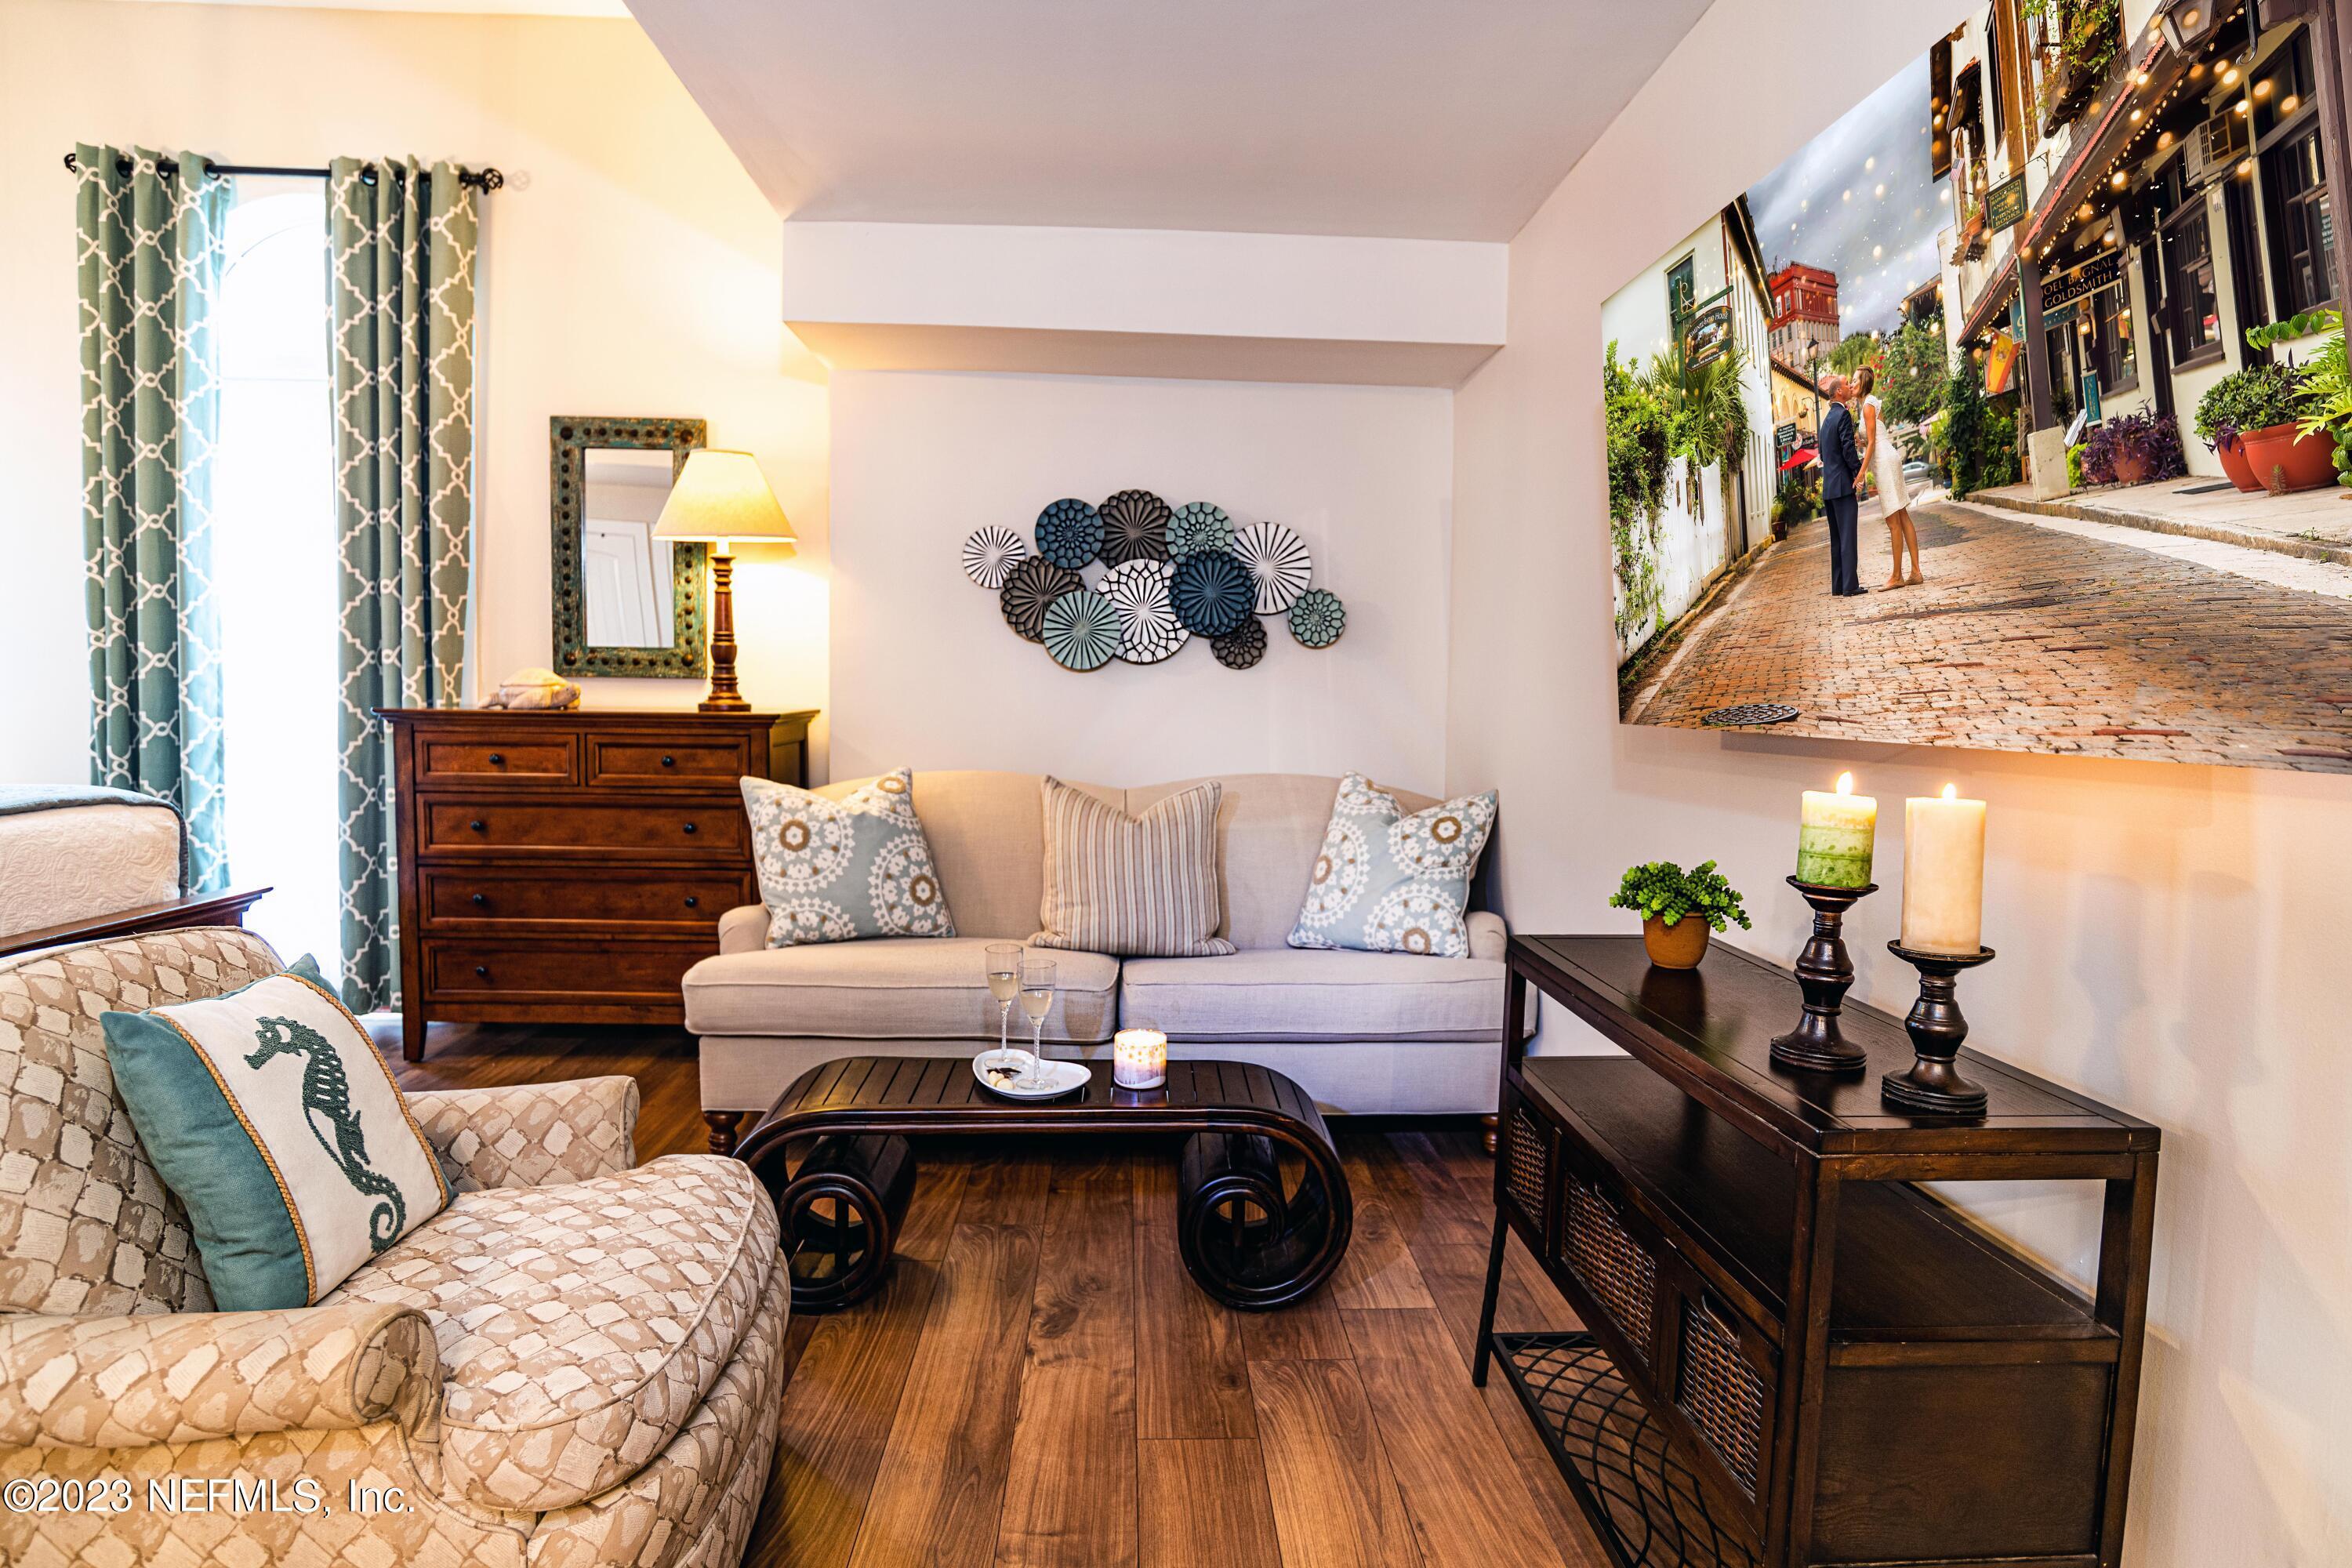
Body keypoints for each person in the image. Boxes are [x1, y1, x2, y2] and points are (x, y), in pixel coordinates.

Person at [1855, 365, 1923, 588]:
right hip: (1888, 456)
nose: (1853, 384)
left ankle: (1897, 577)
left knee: (1893, 521)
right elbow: (1876, 435)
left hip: (1883, 461)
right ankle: (1915, 572)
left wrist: (1861, 472)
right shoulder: (1874, 402)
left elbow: (1873, 442)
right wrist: (1863, 442)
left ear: (1863, 383)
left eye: (1855, 380)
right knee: (1902, 516)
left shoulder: (1867, 405)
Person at [1817, 376, 1864, 596]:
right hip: (1844, 486)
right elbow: (1848, 449)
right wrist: (1858, 472)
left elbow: (1824, 455)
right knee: (1847, 537)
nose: (1849, 387)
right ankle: (1850, 586)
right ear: (1838, 392)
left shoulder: (1826, 421)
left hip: (1829, 488)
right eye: (1846, 384)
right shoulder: (1843, 414)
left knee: (1837, 538)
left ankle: (1838, 585)